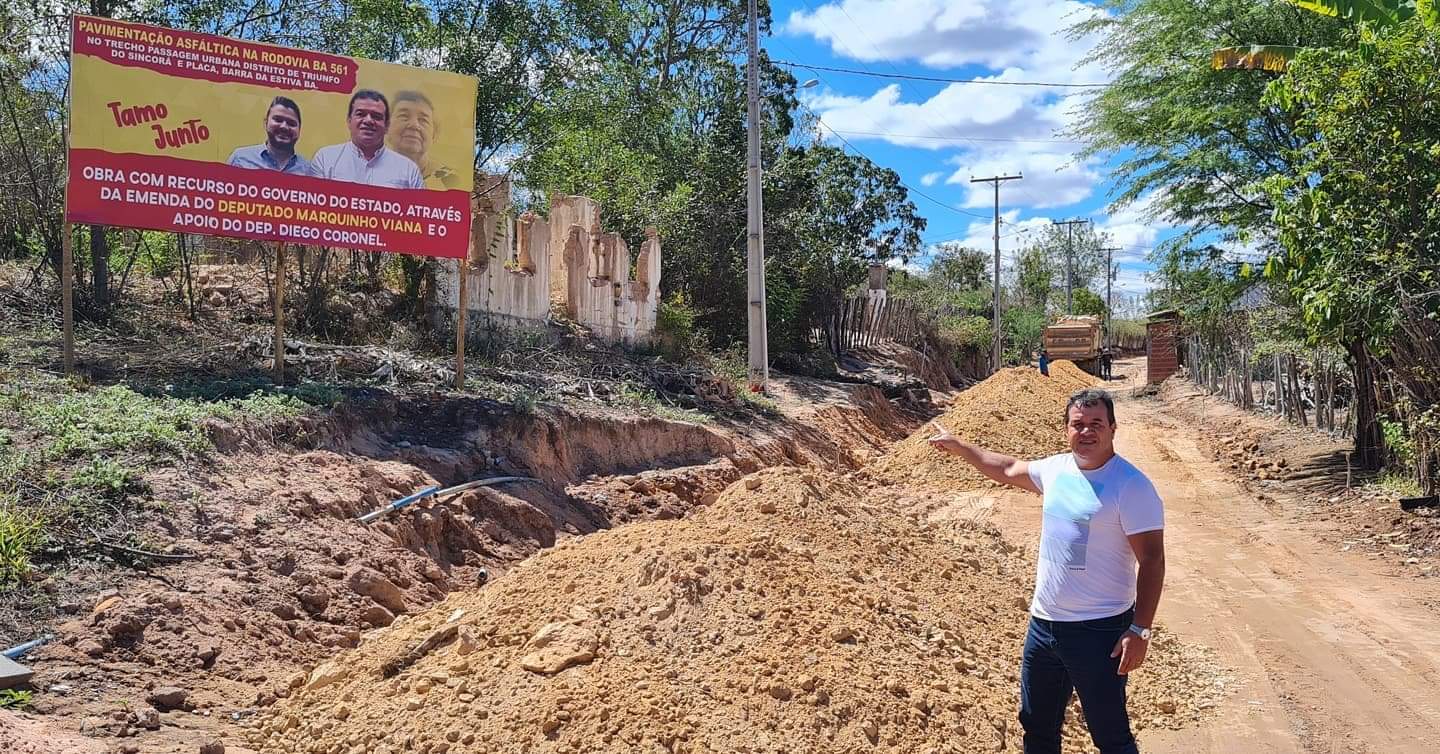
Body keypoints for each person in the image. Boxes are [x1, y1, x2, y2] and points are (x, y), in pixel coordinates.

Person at [927, 389, 1165, 754]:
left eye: (1096, 424)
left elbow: (1152, 560)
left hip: (1099, 631)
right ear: (1066, 428)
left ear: (1113, 428)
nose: (1086, 432)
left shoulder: (1131, 486)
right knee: (1037, 728)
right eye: (1078, 424)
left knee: (1110, 734)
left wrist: (1140, 628)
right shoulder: (1055, 469)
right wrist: (961, 448)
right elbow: (1006, 468)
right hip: (1044, 626)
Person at [311, 89, 424, 189]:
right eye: (360, 114)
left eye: (376, 116)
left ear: (387, 126)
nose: (368, 120)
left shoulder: (409, 170)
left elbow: (420, 210)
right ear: (349, 121)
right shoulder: (325, 159)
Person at [226, 96, 318, 176]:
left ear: (299, 129)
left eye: (291, 123)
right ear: (266, 123)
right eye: (278, 119)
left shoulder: (309, 170)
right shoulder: (240, 159)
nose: (284, 127)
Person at [386, 90, 459, 190]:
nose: (414, 125)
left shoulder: (451, 181)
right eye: (404, 116)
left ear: (434, 134)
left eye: (423, 120)